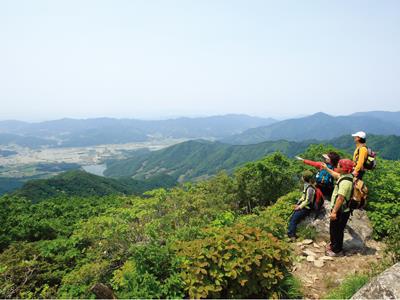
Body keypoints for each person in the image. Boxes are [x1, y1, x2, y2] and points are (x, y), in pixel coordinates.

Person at [324, 159, 355, 257]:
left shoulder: (345, 183)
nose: (336, 166)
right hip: (342, 210)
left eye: (338, 165)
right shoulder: (347, 176)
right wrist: (325, 168)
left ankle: (336, 250)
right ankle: (334, 244)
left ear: (343, 168)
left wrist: (334, 212)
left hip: (340, 211)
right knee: (336, 229)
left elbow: (340, 198)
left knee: (336, 230)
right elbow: (336, 175)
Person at [287, 170, 316, 240]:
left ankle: (292, 236)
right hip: (304, 205)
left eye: (302, 176)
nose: (301, 177)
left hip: (307, 207)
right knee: (292, 218)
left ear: (305, 178)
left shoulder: (310, 188)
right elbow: (303, 196)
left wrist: (299, 207)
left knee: (293, 219)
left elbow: (308, 200)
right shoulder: (306, 185)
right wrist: (298, 204)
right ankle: (291, 233)